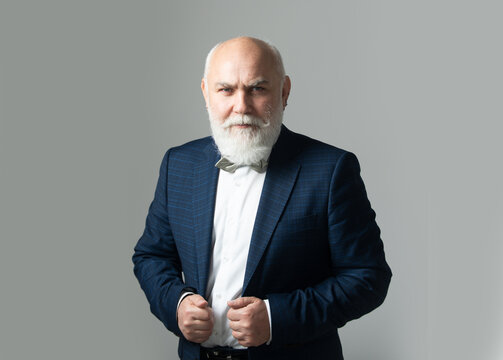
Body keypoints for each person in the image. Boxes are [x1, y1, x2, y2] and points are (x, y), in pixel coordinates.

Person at [133, 36, 391, 360]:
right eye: (226, 89)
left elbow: (369, 277)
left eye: (257, 88)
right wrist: (177, 303)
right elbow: (151, 256)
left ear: (284, 92)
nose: (241, 106)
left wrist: (275, 318)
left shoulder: (331, 170)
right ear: (206, 93)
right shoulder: (179, 164)